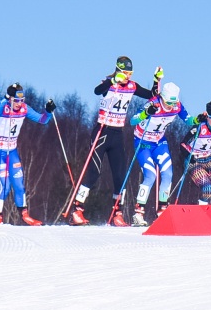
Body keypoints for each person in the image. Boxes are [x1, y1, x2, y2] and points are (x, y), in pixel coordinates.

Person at [68, 56, 161, 226]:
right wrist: (112, 81)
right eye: (125, 73)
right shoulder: (109, 82)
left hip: (117, 134)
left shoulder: (132, 86)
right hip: (102, 132)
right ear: (118, 70)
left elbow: (152, 95)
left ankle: (117, 213)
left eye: (130, 73)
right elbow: (97, 91)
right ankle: (77, 209)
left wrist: (156, 80)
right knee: (94, 172)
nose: (127, 76)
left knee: (120, 175)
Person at [0, 82, 55, 225]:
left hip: (12, 151)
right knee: (5, 186)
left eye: (22, 100)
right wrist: (6, 98)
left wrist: (48, 111)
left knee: (19, 184)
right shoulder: (3, 107)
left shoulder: (24, 109)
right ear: (10, 99)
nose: (19, 103)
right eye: (16, 100)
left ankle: (25, 215)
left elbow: (42, 120)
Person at [128, 82, 187, 226]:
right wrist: (146, 113)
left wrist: (199, 120)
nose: (171, 106)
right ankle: (138, 213)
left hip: (159, 143)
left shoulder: (177, 106)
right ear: (162, 98)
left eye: (173, 103)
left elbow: (189, 120)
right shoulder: (153, 103)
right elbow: (132, 121)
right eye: (168, 103)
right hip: (143, 143)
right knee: (151, 175)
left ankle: (162, 211)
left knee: (168, 174)